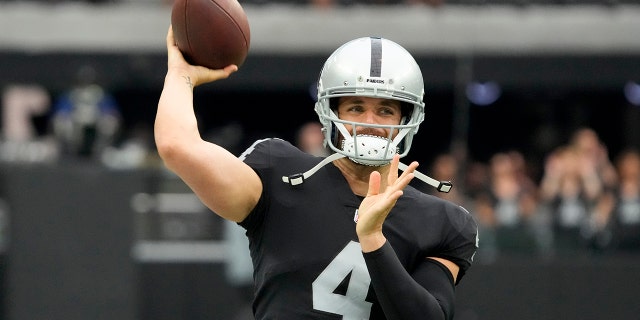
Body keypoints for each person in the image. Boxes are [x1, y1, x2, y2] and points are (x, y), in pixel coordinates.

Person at [155, 25, 478, 319]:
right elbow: (177, 147)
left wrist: (373, 239)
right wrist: (180, 76)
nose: (370, 121)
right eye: (355, 107)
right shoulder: (279, 172)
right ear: (330, 114)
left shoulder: (442, 222)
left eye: (385, 110)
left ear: (405, 121)